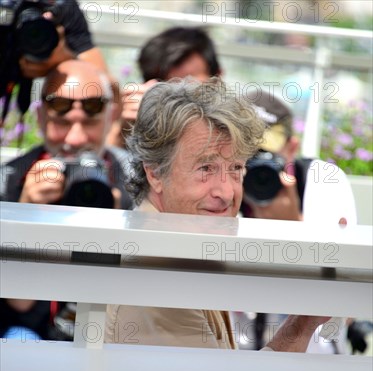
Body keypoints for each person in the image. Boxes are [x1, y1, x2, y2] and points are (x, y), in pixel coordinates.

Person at [105, 78, 329, 352]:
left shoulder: (183, 243)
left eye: (235, 168)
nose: (226, 191)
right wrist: (302, 325)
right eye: (206, 168)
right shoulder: (159, 279)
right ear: (155, 173)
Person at [0, 59, 133, 341]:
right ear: (41, 119)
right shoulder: (11, 180)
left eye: (90, 121)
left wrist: (124, 222)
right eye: (61, 122)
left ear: (109, 117)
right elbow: (19, 304)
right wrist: (25, 215)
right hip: (33, 332)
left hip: (116, 333)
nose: (74, 139)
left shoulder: (135, 178)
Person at [239, 90, 357, 352]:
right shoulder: (221, 188)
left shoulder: (321, 181)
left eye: (264, 152)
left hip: (313, 355)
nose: (252, 168)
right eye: (245, 153)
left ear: (291, 148)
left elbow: (340, 313)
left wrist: (295, 226)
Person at [106, 26, 221, 147]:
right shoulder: (142, 125)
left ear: (217, 80)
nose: (178, 100)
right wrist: (123, 131)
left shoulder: (234, 134)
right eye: (166, 89)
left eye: (188, 86)